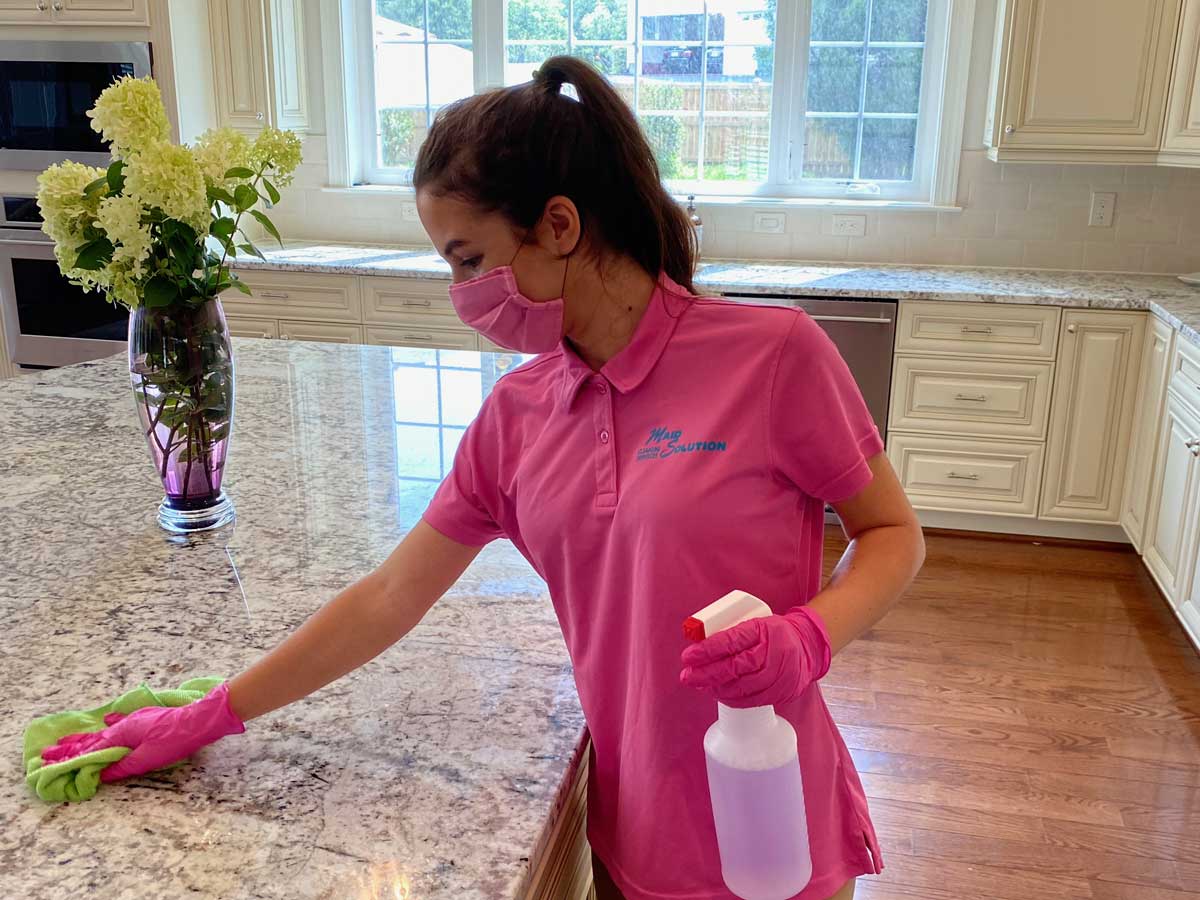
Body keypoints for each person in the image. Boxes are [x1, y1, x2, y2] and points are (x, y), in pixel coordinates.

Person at [41, 57, 925, 900]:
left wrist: (811, 637)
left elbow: (892, 533)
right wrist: (205, 716)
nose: (461, 290)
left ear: (560, 226)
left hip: (779, 823)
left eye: (468, 259)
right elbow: (389, 596)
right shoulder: (517, 417)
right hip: (634, 837)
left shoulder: (772, 356)